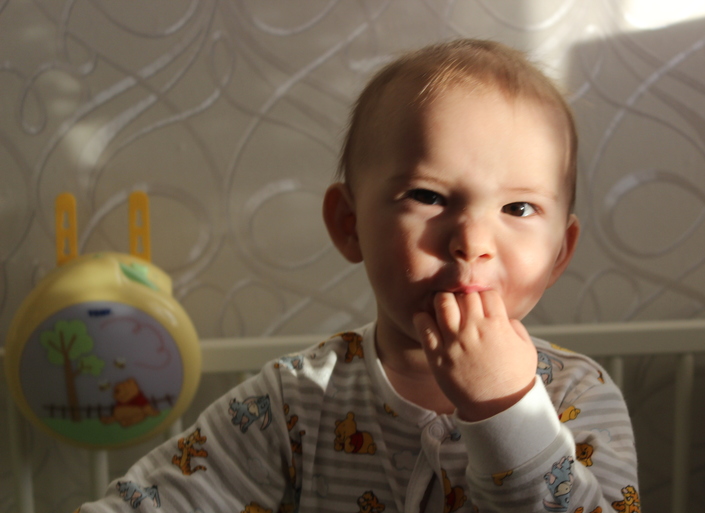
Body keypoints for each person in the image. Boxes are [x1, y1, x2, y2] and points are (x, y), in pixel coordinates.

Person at [77, 39, 638, 513]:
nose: (472, 241)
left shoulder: (578, 396)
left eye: (518, 208)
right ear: (349, 225)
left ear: (559, 253)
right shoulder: (294, 402)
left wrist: (507, 412)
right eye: (428, 196)